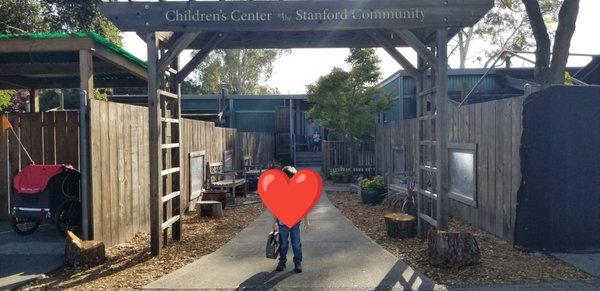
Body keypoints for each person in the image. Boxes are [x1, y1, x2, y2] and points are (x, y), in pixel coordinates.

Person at [272, 166, 310, 273]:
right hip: (282, 223)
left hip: (295, 223)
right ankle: (282, 261)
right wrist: (274, 222)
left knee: (296, 243)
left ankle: (297, 262)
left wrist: (306, 219)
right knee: (283, 244)